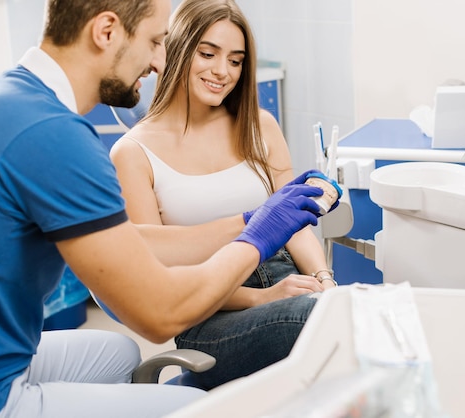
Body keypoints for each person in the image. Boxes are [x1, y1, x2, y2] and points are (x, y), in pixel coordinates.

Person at [0, 0, 331, 417]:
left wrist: (252, 222)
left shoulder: (10, 99)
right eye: (154, 41)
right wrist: (256, 234)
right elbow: (159, 313)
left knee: (118, 354)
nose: (157, 62)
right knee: (193, 407)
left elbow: (137, 241)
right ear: (107, 31)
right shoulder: (55, 138)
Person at [109, 0, 338, 390]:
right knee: (320, 323)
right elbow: (155, 271)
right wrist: (259, 299)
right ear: (177, 49)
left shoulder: (259, 126)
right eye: (208, 53)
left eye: (236, 60)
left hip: (289, 279)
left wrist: (325, 279)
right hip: (211, 311)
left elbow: (292, 223)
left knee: (355, 313)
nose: (222, 71)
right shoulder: (133, 153)